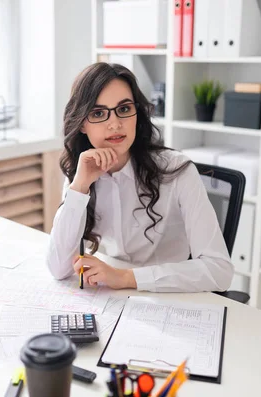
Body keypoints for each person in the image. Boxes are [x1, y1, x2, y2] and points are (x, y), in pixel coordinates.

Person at [46, 63, 234, 292]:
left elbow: (219, 271)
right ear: (82, 124)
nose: (115, 124)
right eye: (98, 113)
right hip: (114, 299)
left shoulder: (177, 171)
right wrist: (80, 187)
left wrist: (126, 278)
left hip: (172, 297)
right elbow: (58, 268)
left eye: (124, 109)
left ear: (137, 114)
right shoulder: (83, 170)